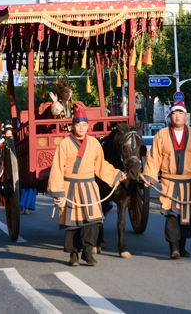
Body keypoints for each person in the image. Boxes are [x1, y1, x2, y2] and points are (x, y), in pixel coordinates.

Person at [48, 107, 125, 266]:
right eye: (78, 125)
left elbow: (101, 165)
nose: (81, 128)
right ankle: (73, 255)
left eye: (84, 124)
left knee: (93, 221)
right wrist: (58, 192)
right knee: (73, 223)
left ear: (88, 126)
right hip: (71, 187)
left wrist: (117, 174)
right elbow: (57, 168)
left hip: (90, 186)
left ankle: (88, 252)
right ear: (73, 126)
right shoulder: (64, 144)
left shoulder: (94, 144)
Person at [143, 100, 191, 259]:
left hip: (190, 183)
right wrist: (150, 176)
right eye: (174, 113)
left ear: (186, 116)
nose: (177, 116)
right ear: (170, 116)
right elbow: (154, 157)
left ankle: (182, 245)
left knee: (188, 217)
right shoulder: (162, 134)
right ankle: (174, 248)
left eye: (180, 113)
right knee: (172, 216)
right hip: (170, 182)